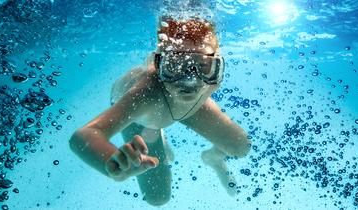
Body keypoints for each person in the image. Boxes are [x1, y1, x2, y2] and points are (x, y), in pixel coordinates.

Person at [68, 15, 251, 206]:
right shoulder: (145, 95)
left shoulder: (209, 83)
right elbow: (83, 135)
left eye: (203, 67)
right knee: (158, 197)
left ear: (217, 66)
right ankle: (155, 133)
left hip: (184, 109)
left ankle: (212, 158)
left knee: (240, 146)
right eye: (175, 65)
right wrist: (111, 162)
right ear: (158, 66)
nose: (190, 81)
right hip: (142, 118)